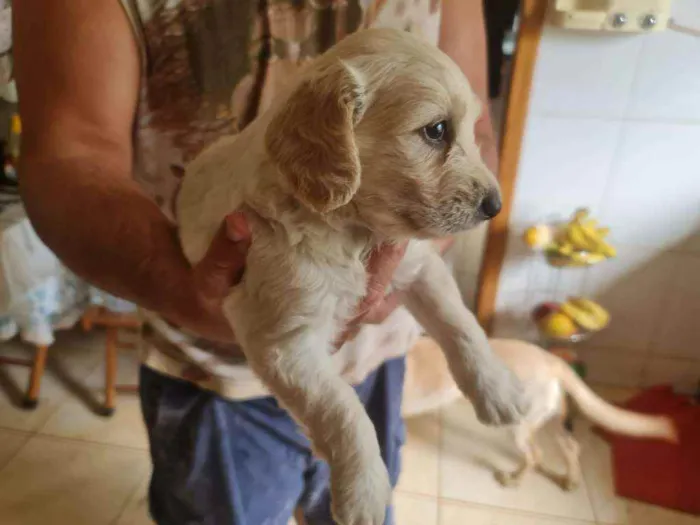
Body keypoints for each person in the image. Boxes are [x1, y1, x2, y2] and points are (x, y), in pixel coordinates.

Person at [15, 1, 497, 523]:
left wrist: (406, 261)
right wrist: (187, 293)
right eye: (434, 133)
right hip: (213, 368)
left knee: (367, 503)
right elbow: (69, 155)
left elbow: (479, 127)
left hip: (376, 354)